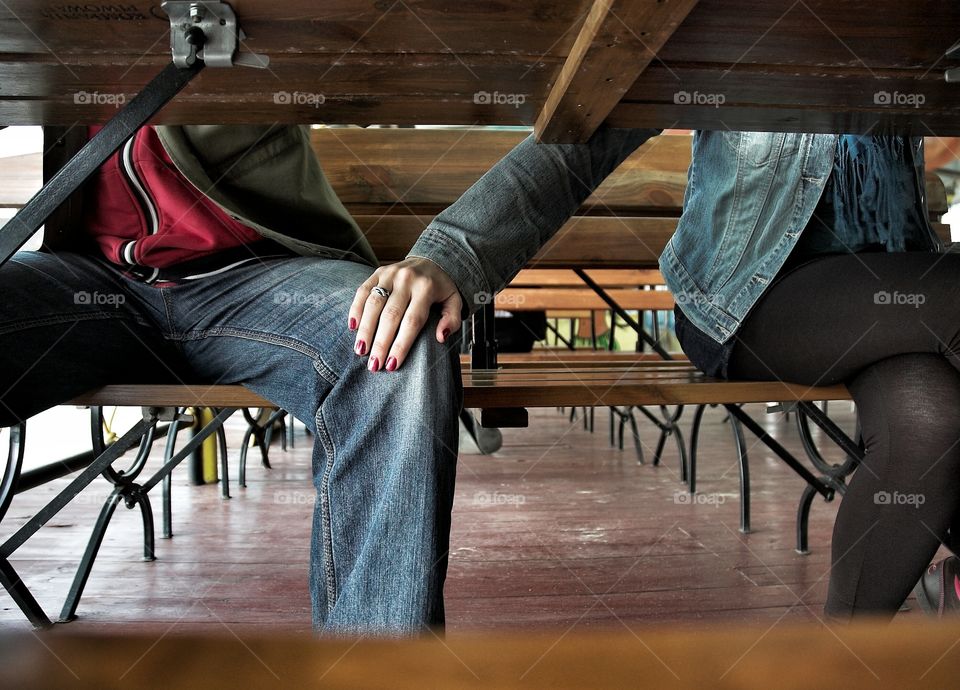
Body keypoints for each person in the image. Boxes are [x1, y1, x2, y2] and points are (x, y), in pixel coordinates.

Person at [409, 127, 960, 620]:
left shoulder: (916, 28)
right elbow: (583, 140)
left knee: (930, 419)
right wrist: (451, 256)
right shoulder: (723, 25)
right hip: (753, 295)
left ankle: (845, 664)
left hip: (900, 288)